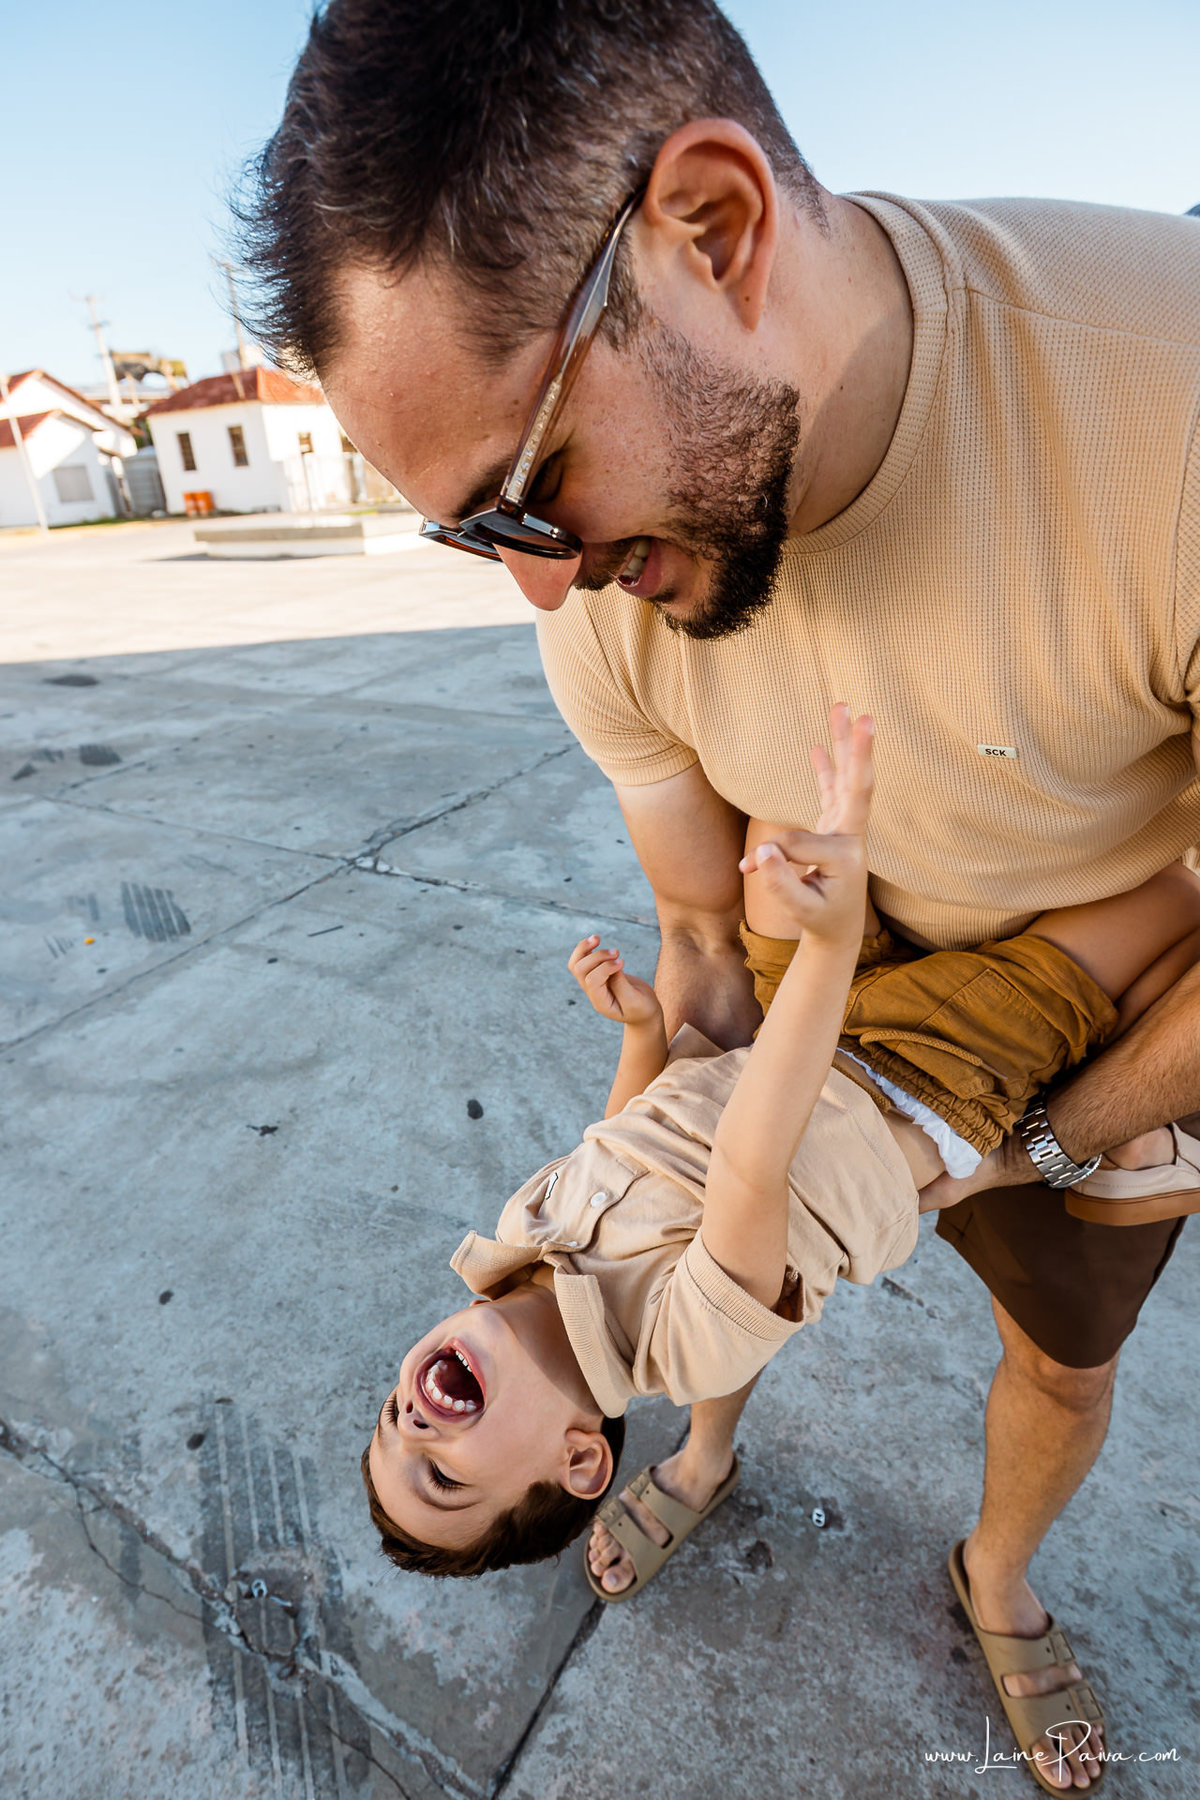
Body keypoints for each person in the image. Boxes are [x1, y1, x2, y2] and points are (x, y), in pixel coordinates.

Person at [241, 2, 1200, 1788]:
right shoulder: (605, 601)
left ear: (711, 230)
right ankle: (697, 1453)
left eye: (525, 499)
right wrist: (673, 1017)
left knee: (1060, 1367)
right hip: (804, 981)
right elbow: (702, 966)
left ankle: (995, 1579)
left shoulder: (1170, 403)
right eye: (476, 538)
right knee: (689, 1300)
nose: (543, 600)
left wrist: (1057, 1139)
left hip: (1096, 1017)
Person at [364, 715, 1200, 1793]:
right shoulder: (686, 1343)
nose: (414, 1421)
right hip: (930, 1069)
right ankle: (1136, 1103)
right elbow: (753, 1161)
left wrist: (637, 1035)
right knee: (1168, 901)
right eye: (438, 1474)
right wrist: (830, 943)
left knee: (791, 816)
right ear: (580, 1462)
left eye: (390, 1423)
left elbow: (617, 1142)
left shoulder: (515, 1249)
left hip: (818, 1031)